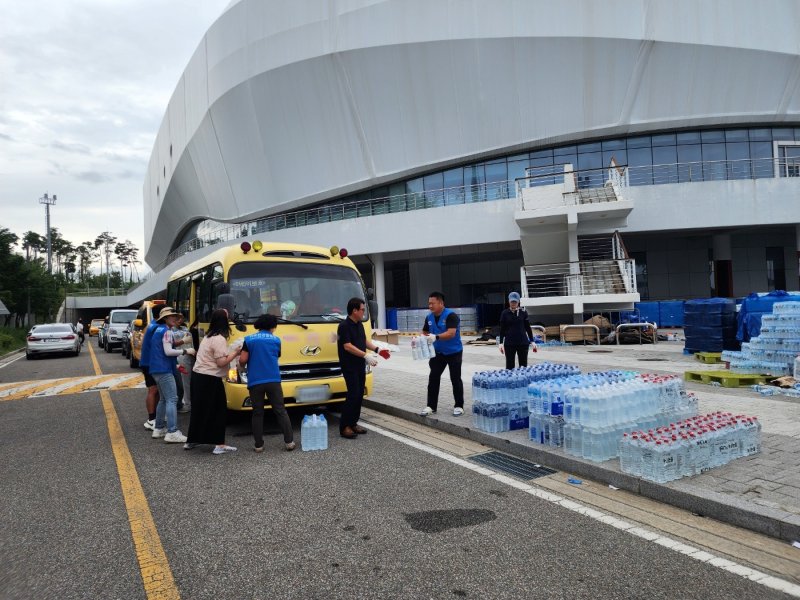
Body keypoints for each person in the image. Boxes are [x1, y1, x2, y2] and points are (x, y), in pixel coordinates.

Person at [185, 309, 242, 455]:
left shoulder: (208, 337)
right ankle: (219, 445)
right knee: (218, 411)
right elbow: (221, 362)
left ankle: (192, 440)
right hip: (210, 378)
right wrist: (236, 352)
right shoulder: (219, 339)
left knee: (199, 410)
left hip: (198, 376)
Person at [238, 314, 294, 453]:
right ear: (273, 326)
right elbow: (277, 355)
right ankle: (289, 442)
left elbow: (243, 360)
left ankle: (259, 445)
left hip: (256, 380)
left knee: (258, 412)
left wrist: (242, 364)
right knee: (280, 410)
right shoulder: (276, 340)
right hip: (273, 379)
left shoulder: (249, 339)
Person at [337, 297, 385, 438]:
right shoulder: (344, 326)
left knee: (359, 395)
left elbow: (363, 341)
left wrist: (377, 349)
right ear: (354, 310)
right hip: (349, 366)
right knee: (352, 395)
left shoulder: (359, 324)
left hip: (359, 365)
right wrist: (365, 355)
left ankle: (353, 423)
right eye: (362, 309)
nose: (364, 312)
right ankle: (344, 426)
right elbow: (347, 346)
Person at [149, 307, 196, 443]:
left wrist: (176, 365)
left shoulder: (159, 330)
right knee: (172, 399)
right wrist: (186, 351)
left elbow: (159, 351)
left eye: (175, 316)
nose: (175, 318)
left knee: (164, 399)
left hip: (156, 368)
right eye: (171, 316)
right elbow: (168, 351)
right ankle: (172, 431)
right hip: (164, 369)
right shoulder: (167, 331)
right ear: (165, 318)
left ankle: (159, 428)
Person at [419, 291, 464, 417]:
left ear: (441, 303)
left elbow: (451, 333)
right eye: (429, 303)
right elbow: (425, 331)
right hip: (438, 353)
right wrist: (420, 339)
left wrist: (436, 337)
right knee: (433, 378)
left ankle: (459, 406)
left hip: (453, 352)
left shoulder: (451, 315)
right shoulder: (429, 317)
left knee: (455, 379)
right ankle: (431, 406)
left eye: (433, 303)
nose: (430, 306)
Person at [498, 292, 535, 369]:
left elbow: (528, 327)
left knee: (523, 366)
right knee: (510, 366)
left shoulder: (523, 312)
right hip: (509, 344)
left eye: (515, 301)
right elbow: (502, 329)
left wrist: (532, 341)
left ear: (518, 302)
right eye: (512, 301)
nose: (513, 303)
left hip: (523, 343)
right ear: (509, 301)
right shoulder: (504, 313)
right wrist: (500, 343)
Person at [139, 314, 161, 431]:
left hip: (149, 362)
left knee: (156, 390)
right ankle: (151, 419)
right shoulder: (155, 327)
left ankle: (154, 416)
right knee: (153, 390)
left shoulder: (152, 325)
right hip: (149, 363)